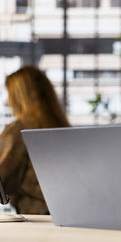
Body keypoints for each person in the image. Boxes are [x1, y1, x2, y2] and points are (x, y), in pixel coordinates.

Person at [0, 66, 70, 214]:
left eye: (10, 95)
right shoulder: (63, 128)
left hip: (37, 216)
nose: (8, 102)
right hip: (69, 212)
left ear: (19, 97)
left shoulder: (20, 130)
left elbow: (2, 179)